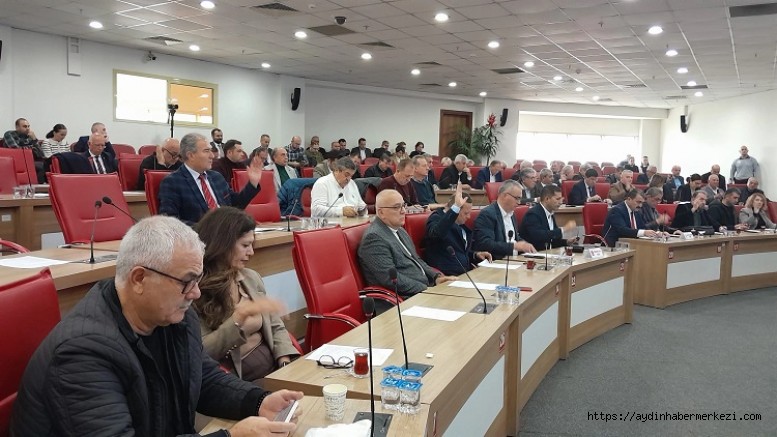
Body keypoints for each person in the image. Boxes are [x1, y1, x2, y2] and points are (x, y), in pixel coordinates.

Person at [10, 216, 303, 436]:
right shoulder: (82, 353)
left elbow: (203, 378)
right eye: (187, 281)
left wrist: (258, 402)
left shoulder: (174, 317)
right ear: (139, 279)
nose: (196, 293)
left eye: (198, 280)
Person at [193, 208, 299, 383]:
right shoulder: (196, 291)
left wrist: (284, 362)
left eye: (251, 245)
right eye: (244, 245)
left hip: (275, 370)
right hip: (238, 383)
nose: (251, 252)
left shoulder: (250, 277)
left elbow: (275, 326)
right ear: (222, 245)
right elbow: (203, 352)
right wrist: (238, 318)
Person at [358, 189, 457, 297]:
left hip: (422, 290)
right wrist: (427, 289)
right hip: (404, 298)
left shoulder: (400, 230)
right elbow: (391, 279)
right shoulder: (374, 238)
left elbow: (417, 260)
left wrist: (436, 277)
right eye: (397, 207)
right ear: (381, 212)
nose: (403, 211)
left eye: (403, 205)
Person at [159, 133, 261, 225]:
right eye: (206, 151)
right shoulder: (173, 182)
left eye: (211, 151)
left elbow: (236, 205)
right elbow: (170, 221)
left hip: (228, 232)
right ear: (191, 155)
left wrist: (253, 183)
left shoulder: (216, 177)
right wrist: (208, 230)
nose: (212, 156)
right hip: (199, 236)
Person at [423, 186, 492, 275]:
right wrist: (455, 209)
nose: (469, 217)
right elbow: (436, 235)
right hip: (447, 275)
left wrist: (475, 255)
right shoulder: (436, 218)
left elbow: (458, 252)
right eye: (466, 213)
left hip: (465, 274)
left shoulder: (461, 225)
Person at [472, 179, 537, 259]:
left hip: (515, 259)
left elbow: (514, 238)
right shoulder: (487, 214)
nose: (519, 202)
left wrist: (525, 244)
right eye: (517, 198)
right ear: (504, 196)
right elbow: (485, 244)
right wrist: (514, 246)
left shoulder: (511, 213)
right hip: (497, 261)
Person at [518, 185, 578, 251]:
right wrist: (564, 229)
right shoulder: (533, 214)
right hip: (533, 253)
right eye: (557, 199)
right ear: (547, 199)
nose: (561, 202)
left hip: (546, 252)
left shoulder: (550, 213)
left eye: (561, 199)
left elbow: (552, 240)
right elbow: (539, 236)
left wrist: (566, 242)